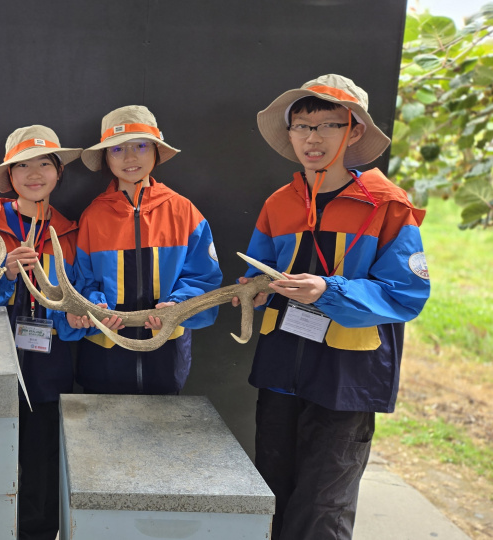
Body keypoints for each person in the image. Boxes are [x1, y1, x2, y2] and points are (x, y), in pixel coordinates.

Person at [233, 74, 430, 539]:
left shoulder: (388, 206)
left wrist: (329, 290)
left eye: (327, 125)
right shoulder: (279, 204)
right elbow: (262, 273)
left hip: (347, 378)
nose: (312, 138)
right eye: (302, 127)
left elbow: (406, 295)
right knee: (271, 495)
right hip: (281, 371)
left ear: (354, 130)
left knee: (324, 508)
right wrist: (255, 291)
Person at [68, 105, 223, 395]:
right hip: (104, 354)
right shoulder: (93, 216)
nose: (129, 157)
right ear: (106, 158)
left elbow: (205, 279)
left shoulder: (184, 212)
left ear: (156, 151)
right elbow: (82, 281)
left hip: (166, 354)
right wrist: (95, 307)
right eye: (117, 149)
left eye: (140, 145)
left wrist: (177, 306)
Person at [0, 125, 86, 540]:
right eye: (22, 165)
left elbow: (79, 299)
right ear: (9, 174)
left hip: (48, 366)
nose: (34, 173)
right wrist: (2, 276)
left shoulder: (70, 230)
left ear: (59, 172)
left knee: (43, 459)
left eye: (45, 163)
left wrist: (73, 318)